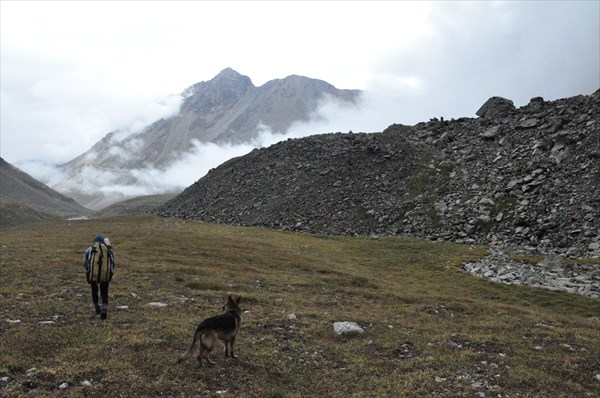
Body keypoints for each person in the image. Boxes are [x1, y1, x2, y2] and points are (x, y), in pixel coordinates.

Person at [82, 234, 116, 320]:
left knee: (94, 289)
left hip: (93, 273)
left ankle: (96, 304)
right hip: (105, 274)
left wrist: (88, 270)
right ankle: (104, 305)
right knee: (104, 290)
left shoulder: (90, 249)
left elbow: (85, 262)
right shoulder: (108, 249)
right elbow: (113, 262)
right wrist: (110, 272)